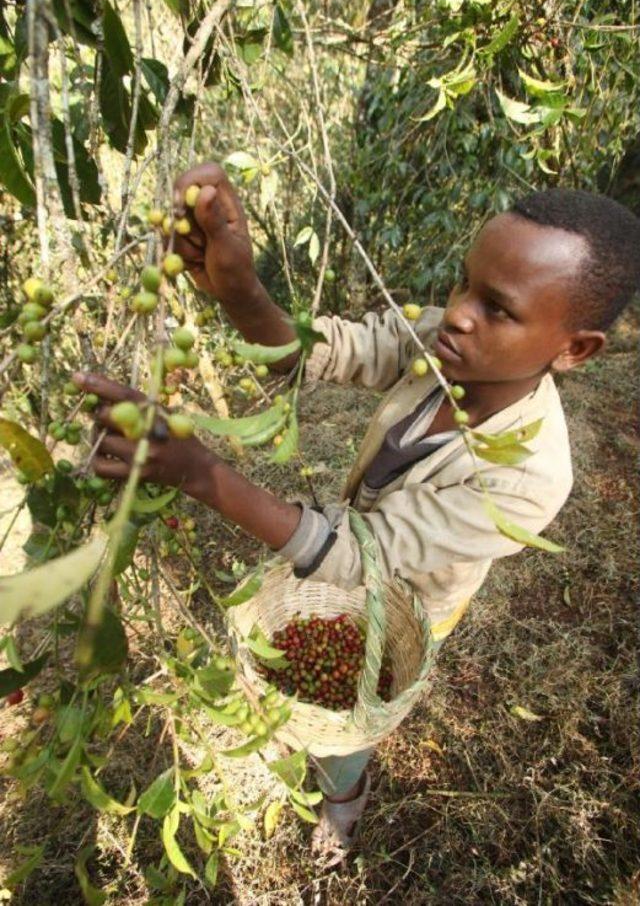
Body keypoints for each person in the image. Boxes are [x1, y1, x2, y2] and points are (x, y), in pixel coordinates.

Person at [73, 163, 640, 865]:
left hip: (413, 604)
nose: (458, 311)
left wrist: (201, 473)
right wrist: (240, 287)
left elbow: (365, 553)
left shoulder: (530, 475)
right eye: (463, 282)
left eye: (499, 308)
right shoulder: (443, 344)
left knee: (353, 721)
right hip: (341, 551)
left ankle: (343, 798)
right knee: (306, 679)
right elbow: (322, 355)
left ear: (575, 349)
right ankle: (310, 753)